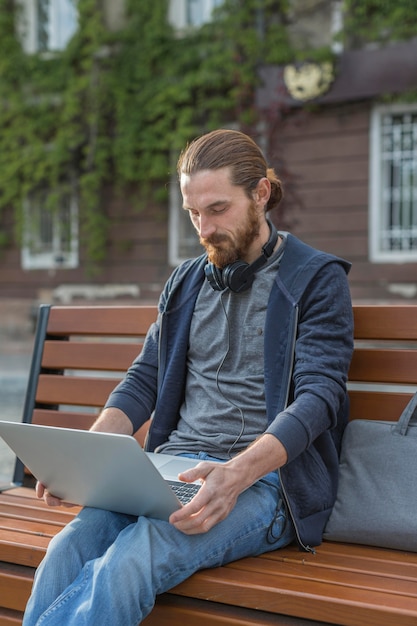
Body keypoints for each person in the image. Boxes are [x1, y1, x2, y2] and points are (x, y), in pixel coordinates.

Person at [23, 129, 354, 626]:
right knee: (67, 548)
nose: (204, 228)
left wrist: (235, 474)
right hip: (169, 471)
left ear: (261, 194)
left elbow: (319, 398)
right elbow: (145, 377)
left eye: (217, 209)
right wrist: (89, 455)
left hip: (263, 486)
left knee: (128, 564)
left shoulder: (317, 278)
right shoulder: (186, 281)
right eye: (193, 213)